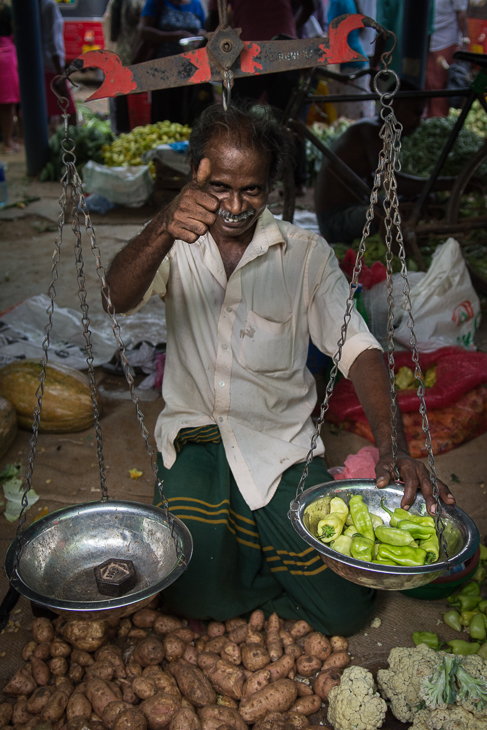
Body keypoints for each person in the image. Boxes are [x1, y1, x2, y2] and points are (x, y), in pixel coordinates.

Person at [105, 102, 454, 635]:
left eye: (254, 190)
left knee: (346, 608)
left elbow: (358, 348)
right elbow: (115, 297)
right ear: (195, 172)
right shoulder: (174, 242)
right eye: (221, 187)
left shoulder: (305, 255)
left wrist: (393, 445)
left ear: (272, 186)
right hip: (195, 436)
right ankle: (259, 570)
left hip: (279, 443)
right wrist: (160, 228)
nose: (237, 206)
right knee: (184, 591)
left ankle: (251, 567)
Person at [314, 82, 453, 245]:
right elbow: (394, 184)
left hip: (357, 209)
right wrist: (450, 183)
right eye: (416, 114)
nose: (418, 123)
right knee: (385, 217)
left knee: (421, 199)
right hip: (335, 221)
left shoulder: (375, 130)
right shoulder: (373, 131)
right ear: (397, 104)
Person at [137, 0, 206, 125]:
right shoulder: (156, 2)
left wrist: (201, 35)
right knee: (164, 114)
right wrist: (172, 36)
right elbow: (142, 30)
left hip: (191, 71)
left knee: (188, 112)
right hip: (163, 71)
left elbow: (205, 29)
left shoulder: (196, 4)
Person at [426, 0, 469, 118]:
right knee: (425, 86)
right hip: (426, 42)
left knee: (439, 88)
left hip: (445, 42)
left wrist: (464, 42)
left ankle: (438, 122)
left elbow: (461, 14)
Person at [39, 0, 77, 127]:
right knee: (69, 108)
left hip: (41, 63)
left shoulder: (39, 4)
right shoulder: (49, 5)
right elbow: (53, 40)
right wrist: (61, 74)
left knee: (47, 108)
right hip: (51, 65)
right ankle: (71, 140)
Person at [0, 0, 20, 154]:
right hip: (5, 56)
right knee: (7, 103)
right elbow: (17, 32)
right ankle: (7, 142)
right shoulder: (7, 9)